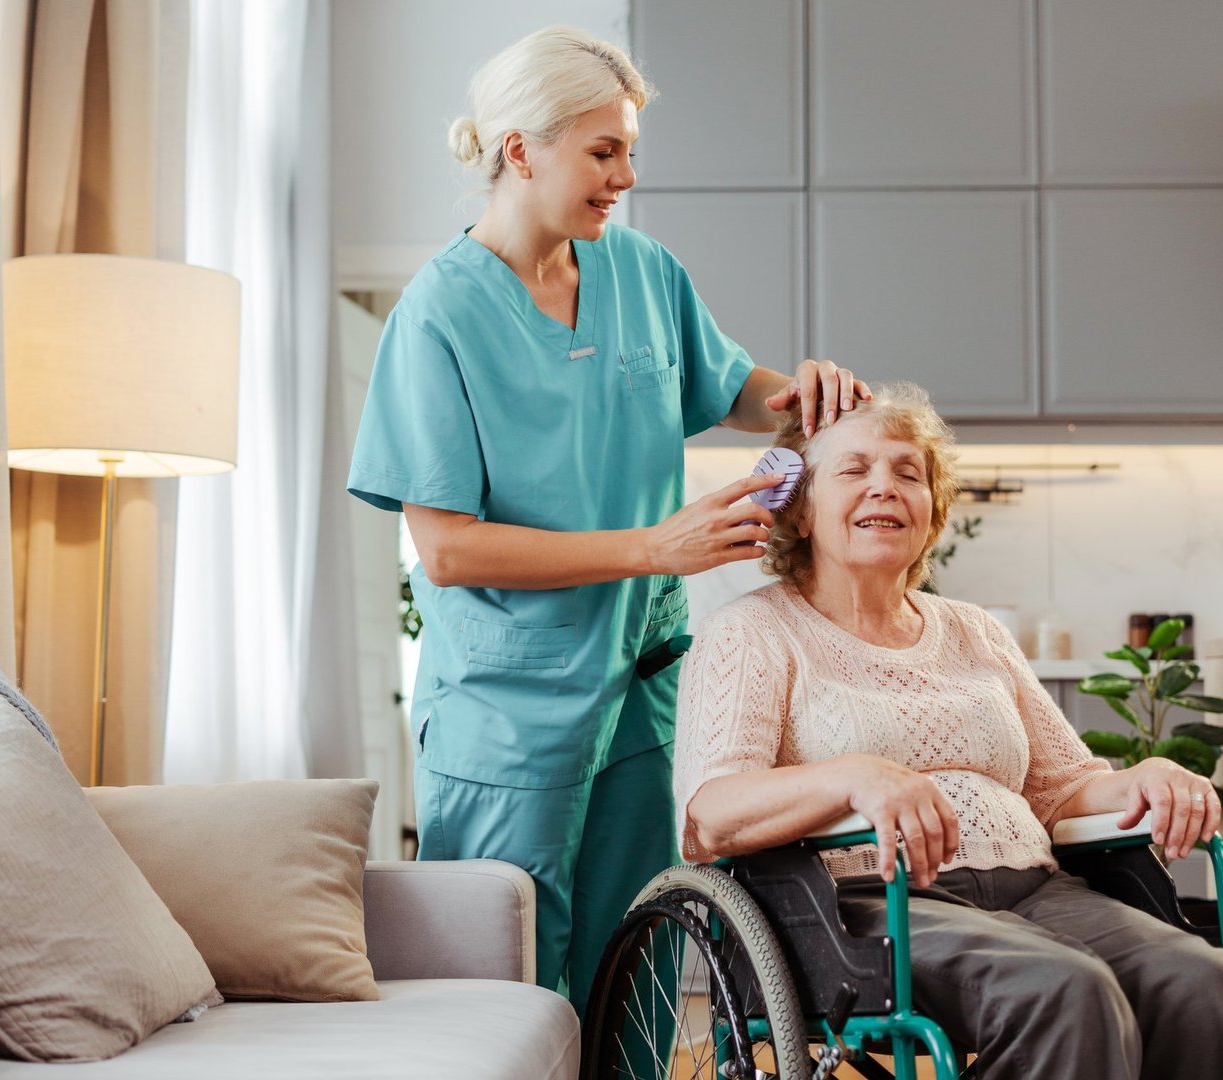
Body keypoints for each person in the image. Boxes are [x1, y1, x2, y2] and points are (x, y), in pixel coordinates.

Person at [346, 25, 869, 1014]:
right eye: (604, 151)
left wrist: (801, 394)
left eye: (629, 149)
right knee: (504, 979)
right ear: (520, 149)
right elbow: (448, 549)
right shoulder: (438, 319)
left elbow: (733, 390)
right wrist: (652, 547)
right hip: (511, 708)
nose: (626, 174)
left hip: (642, 686)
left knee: (643, 958)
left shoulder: (640, 271)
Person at [674, 383, 1223, 1080]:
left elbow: (1062, 786)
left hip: (1036, 890)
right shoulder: (753, 631)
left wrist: (1145, 779)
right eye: (854, 470)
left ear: (931, 512)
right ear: (800, 513)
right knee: (1064, 993)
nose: (884, 488)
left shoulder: (975, 631)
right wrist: (852, 777)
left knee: (1197, 979)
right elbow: (709, 816)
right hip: (866, 904)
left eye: (907, 473)